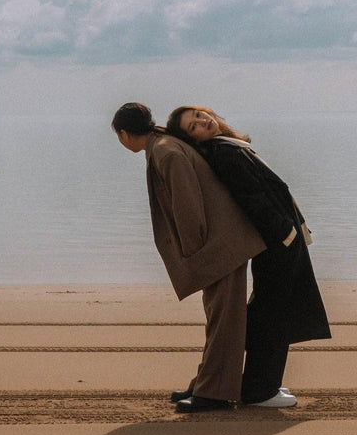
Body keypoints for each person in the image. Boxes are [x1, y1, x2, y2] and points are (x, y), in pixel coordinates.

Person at [111, 102, 273, 413]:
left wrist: (195, 252)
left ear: (123, 134)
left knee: (225, 321)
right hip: (224, 241)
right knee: (220, 318)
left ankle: (214, 394)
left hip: (220, 246)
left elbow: (187, 204)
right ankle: (207, 383)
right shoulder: (164, 144)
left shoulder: (165, 151)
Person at [165, 105, 331, 409]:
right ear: (193, 140)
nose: (203, 122)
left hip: (276, 241)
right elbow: (251, 198)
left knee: (267, 312)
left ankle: (242, 382)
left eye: (200, 115)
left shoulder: (229, 146)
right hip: (277, 242)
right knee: (274, 314)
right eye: (193, 126)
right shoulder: (224, 153)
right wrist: (285, 233)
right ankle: (260, 391)